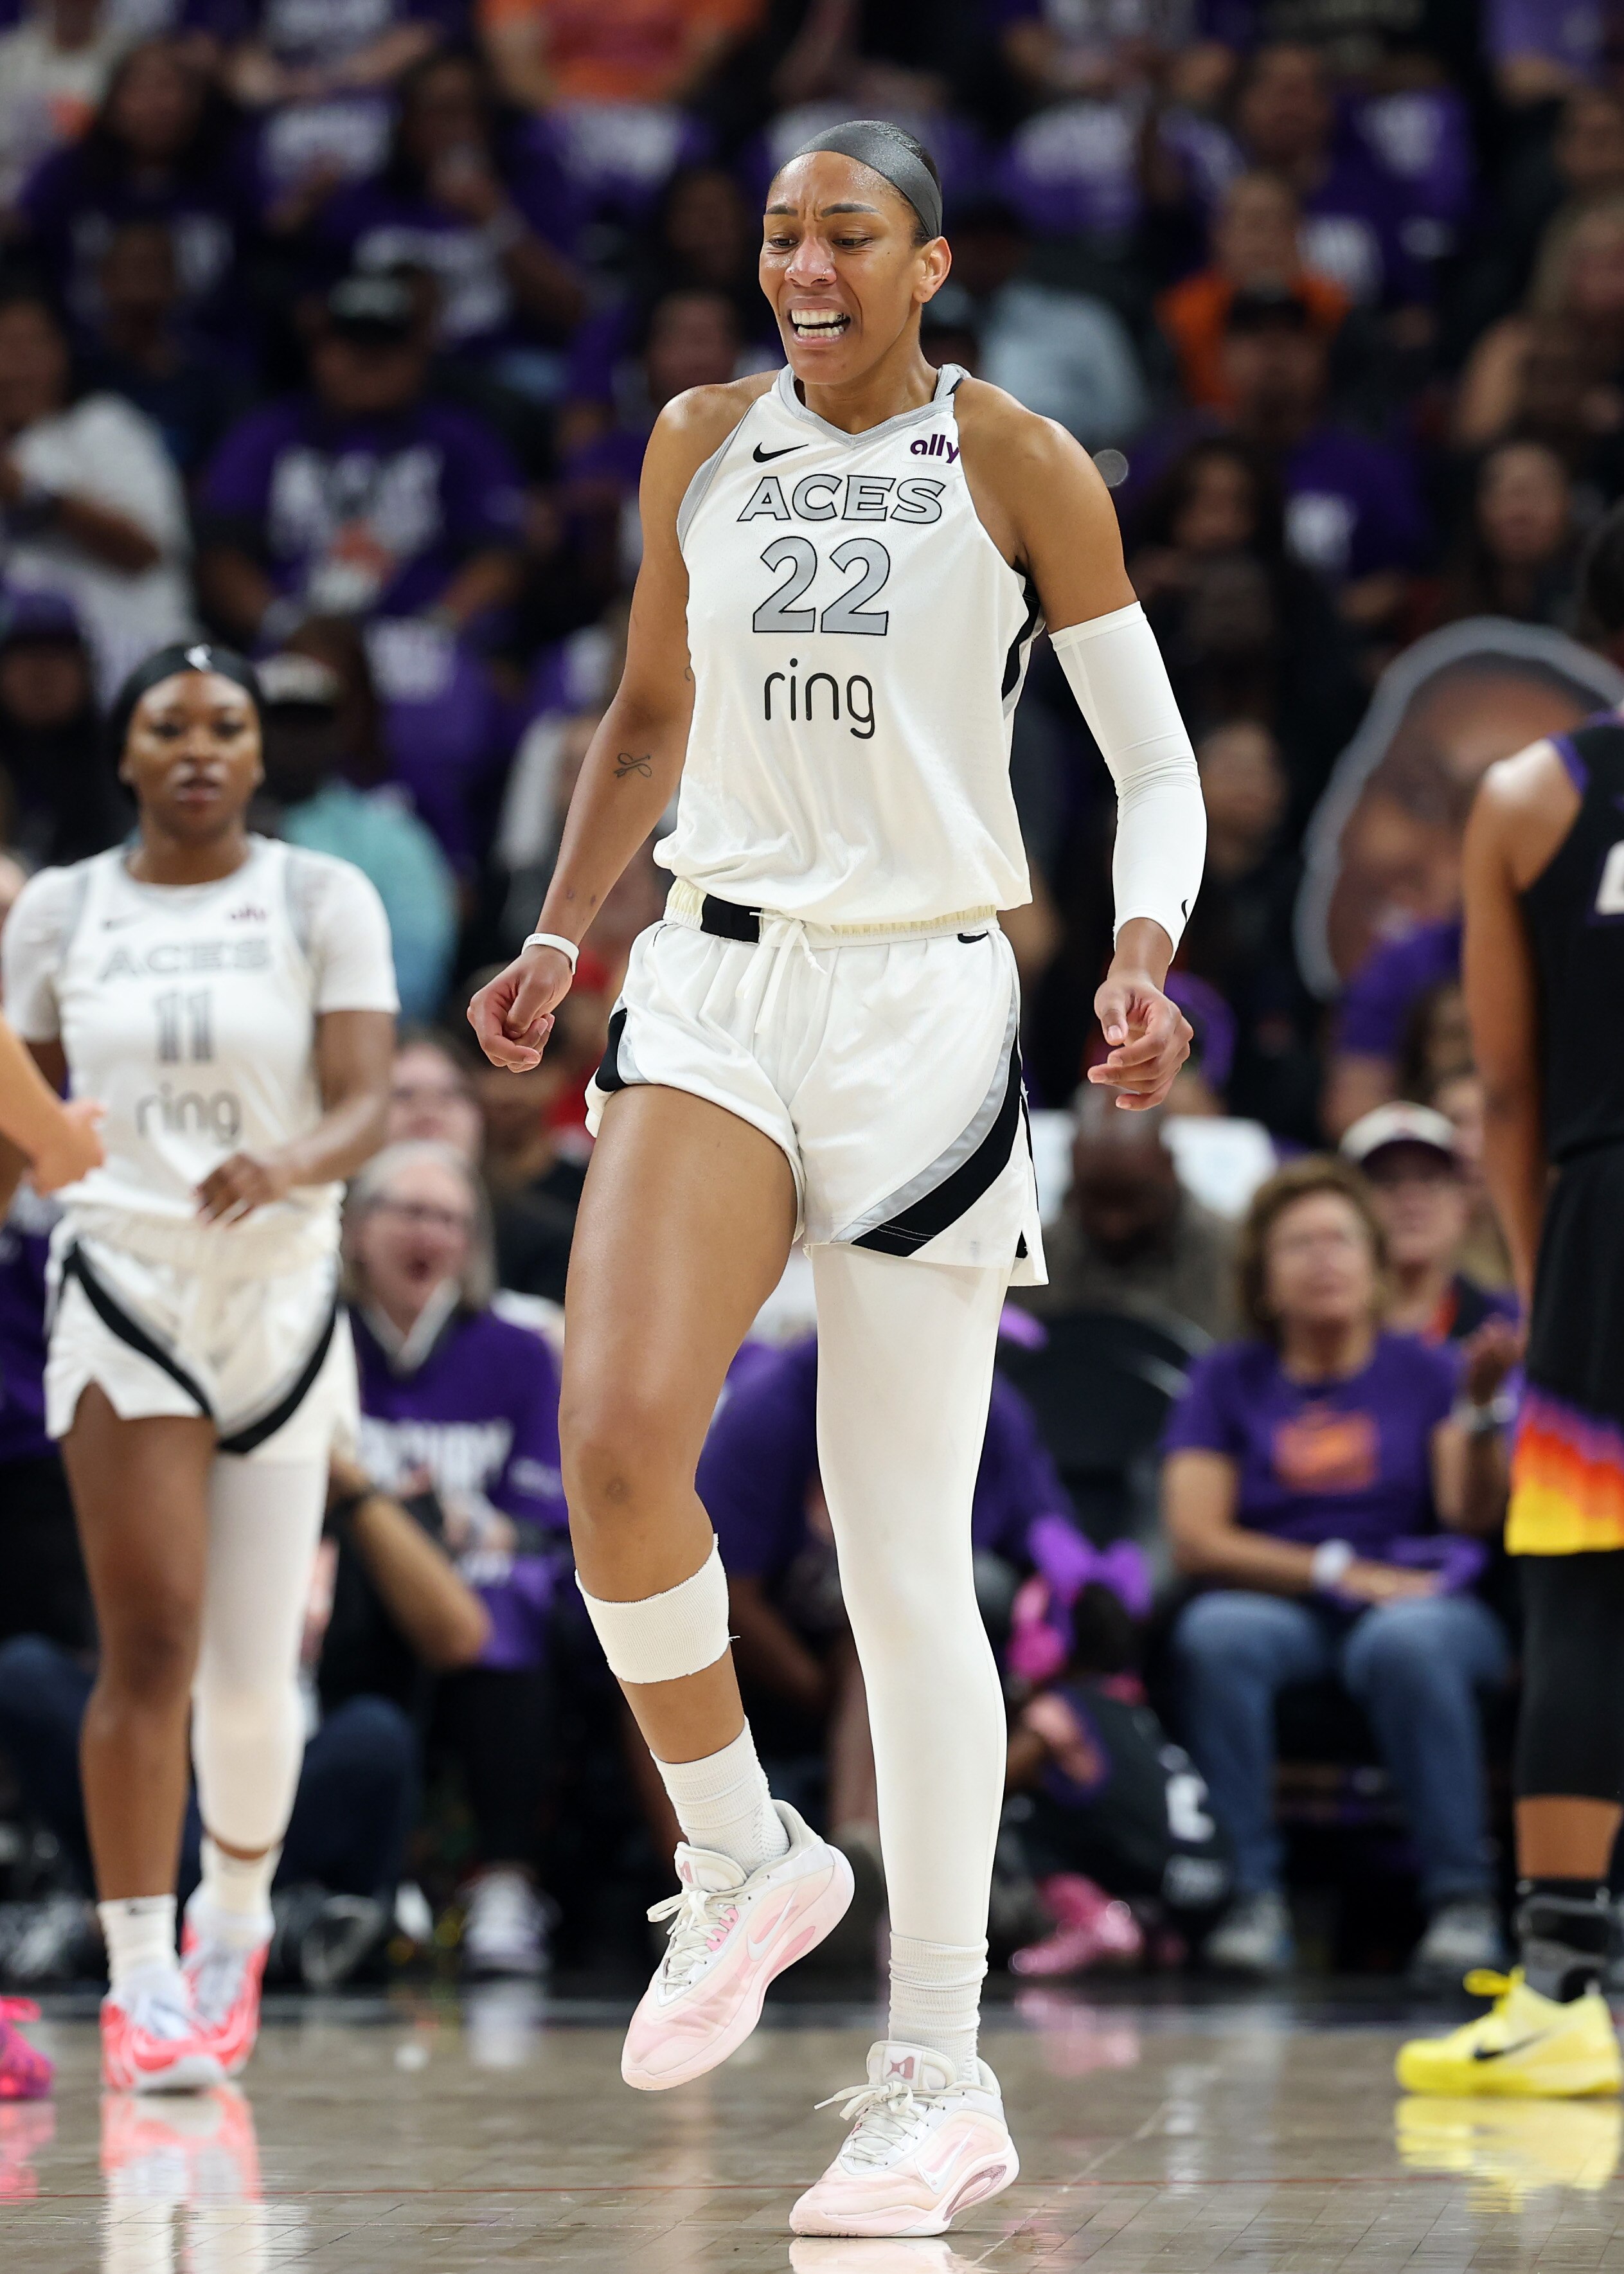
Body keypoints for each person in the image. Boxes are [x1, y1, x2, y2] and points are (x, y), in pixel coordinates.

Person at [468, 119, 1204, 2235]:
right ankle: (740, 1852)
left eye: (845, 233)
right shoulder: (697, 435)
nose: (804, 261)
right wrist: (553, 928)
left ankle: (934, 2070)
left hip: (924, 1003)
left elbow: (1149, 768)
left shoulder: (1019, 461)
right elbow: (642, 712)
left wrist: (1142, 955)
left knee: (900, 1565)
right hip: (708, 974)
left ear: (930, 263)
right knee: (610, 1443)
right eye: (782, 230)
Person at [0, 642, 397, 2093]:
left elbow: (364, 1100)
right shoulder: (56, 907)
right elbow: (18, 1107)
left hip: (283, 1283)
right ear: (123, 753)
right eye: (166, 724)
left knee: (251, 1674)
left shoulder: (319, 895)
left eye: (226, 724)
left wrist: (284, 1158)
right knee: (149, 1641)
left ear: (256, 750)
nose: (198, 747)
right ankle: (141, 1976)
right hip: (125, 1272)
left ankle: (235, 1920)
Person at [1397, 501, 1624, 2095]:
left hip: (1607, 1218)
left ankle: (1563, 1990)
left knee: (1588, 1602)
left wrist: (1551, 1284)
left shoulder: (1532, 796)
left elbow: (1508, 1087)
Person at [1165, 1158, 1513, 1982]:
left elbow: (1469, 1514)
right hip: (1289, 1601)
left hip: (1423, 1596)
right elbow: (1195, 1537)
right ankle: (1253, 1898)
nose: (1323, 1259)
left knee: (1408, 1645)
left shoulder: (1428, 1371)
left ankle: (1462, 1900)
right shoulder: (1226, 1378)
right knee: (1216, 1634)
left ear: (1374, 1263)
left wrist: (1478, 1412)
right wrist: (1333, 1570)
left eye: (1341, 1241)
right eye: (1298, 1244)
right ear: (1263, 1276)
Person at [344, 1140, 572, 1978]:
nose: (428, 1234)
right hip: (345, 1576)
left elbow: (537, 1513)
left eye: (449, 1218)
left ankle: (506, 1881)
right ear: (356, 1230)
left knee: (505, 1597)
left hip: (475, 1580)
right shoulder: (319, 1338)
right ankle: (357, 1879)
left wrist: (464, 1526)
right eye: (408, 1211)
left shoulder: (514, 1349)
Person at [197, 273, 525, 650]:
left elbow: (501, 555)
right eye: (352, 341)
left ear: (419, 354)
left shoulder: (461, 437)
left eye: (387, 342)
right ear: (318, 351)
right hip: (292, 638)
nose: (368, 359)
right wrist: (283, 625)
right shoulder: (266, 435)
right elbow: (220, 557)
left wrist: (440, 624)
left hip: (423, 642)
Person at [0, 282, 193, 697]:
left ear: (62, 352)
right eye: (6, 346)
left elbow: (145, 551)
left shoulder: (105, 427)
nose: (18, 363)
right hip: (30, 698)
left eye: (32, 344)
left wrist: (34, 495)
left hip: (139, 670)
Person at [255, 641, 459, 1023]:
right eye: (278, 723)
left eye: (311, 723)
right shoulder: (192, 830)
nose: (293, 740)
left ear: (339, 731)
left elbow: (416, 972)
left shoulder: (391, 837)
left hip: (350, 1045)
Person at [1018, 1091, 1237, 1343]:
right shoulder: (1033, 1263)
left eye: (1133, 1198)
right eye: (1095, 1197)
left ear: (1168, 1166)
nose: (1115, 1225)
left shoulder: (1234, 1263)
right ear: (1072, 1168)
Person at [1339, 1102, 1518, 1347]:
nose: (1410, 1200)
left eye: (1429, 1177)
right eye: (1386, 1179)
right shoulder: (1323, 1330)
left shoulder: (1512, 1327)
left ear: (1464, 1202)